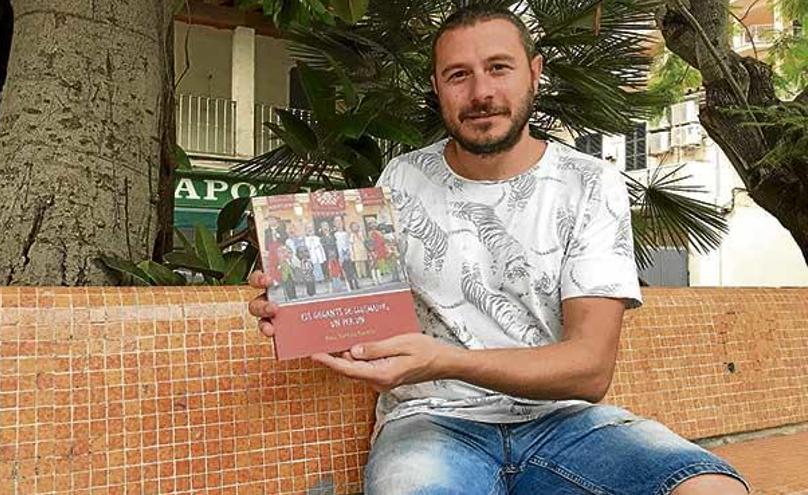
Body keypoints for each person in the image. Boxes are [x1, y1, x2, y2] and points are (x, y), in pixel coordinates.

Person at [247, 5, 747, 495]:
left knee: (711, 487)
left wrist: (443, 360)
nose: (481, 92)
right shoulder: (402, 180)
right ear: (437, 88)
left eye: (498, 68)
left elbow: (590, 368)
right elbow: (361, 312)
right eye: (458, 75)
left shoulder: (589, 183)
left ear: (534, 73)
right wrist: (297, 300)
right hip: (432, 424)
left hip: (563, 422)